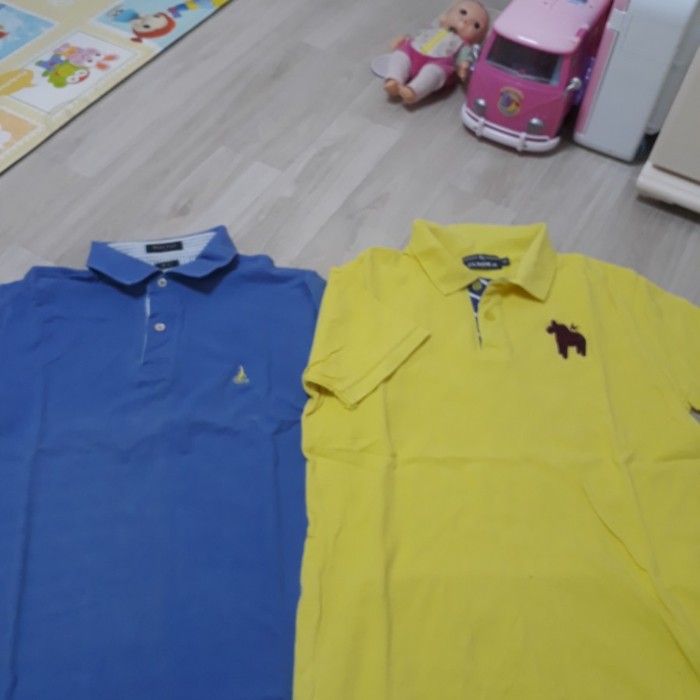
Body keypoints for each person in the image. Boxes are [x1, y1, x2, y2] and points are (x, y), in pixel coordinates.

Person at [384, 1, 489, 104]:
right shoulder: (431, 30)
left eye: (476, 25)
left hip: (438, 63)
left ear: (477, 40)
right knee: (400, 56)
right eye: (463, 12)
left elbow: (464, 57)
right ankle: (394, 79)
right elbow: (416, 37)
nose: (466, 20)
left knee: (433, 73)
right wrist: (403, 40)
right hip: (412, 52)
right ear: (444, 16)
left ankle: (413, 90)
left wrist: (463, 65)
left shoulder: (464, 46)